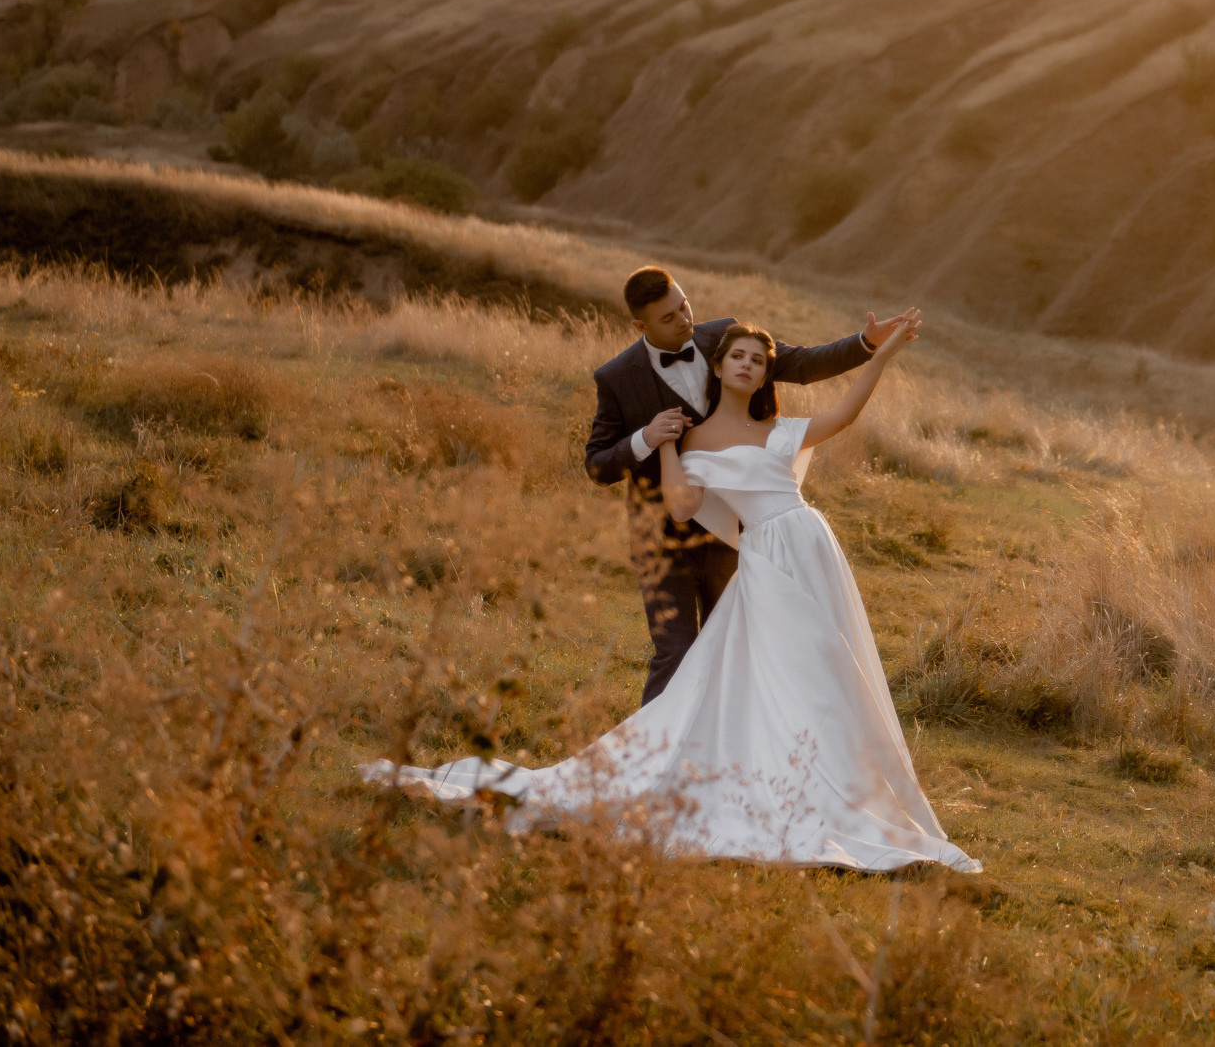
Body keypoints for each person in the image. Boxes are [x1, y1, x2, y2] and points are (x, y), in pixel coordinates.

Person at [363, 310, 979, 874]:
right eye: (737, 356)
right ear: (720, 366)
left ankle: (833, 779)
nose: (747, 365)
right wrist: (661, 446)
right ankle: (787, 782)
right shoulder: (695, 440)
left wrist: (882, 356)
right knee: (790, 667)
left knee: (828, 666)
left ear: (766, 373)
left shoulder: (781, 427)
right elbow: (682, 504)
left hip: (813, 546)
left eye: (758, 360)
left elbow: (843, 414)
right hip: (766, 556)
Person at [584, 266, 913, 705]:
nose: (684, 319)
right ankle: (655, 762)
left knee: (736, 651)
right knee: (676, 654)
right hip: (662, 540)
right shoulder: (617, 377)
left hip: (735, 537)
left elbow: (798, 362)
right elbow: (598, 465)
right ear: (641, 326)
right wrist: (647, 438)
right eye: (669, 317)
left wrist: (866, 344)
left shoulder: (724, 338)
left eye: (684, 305)